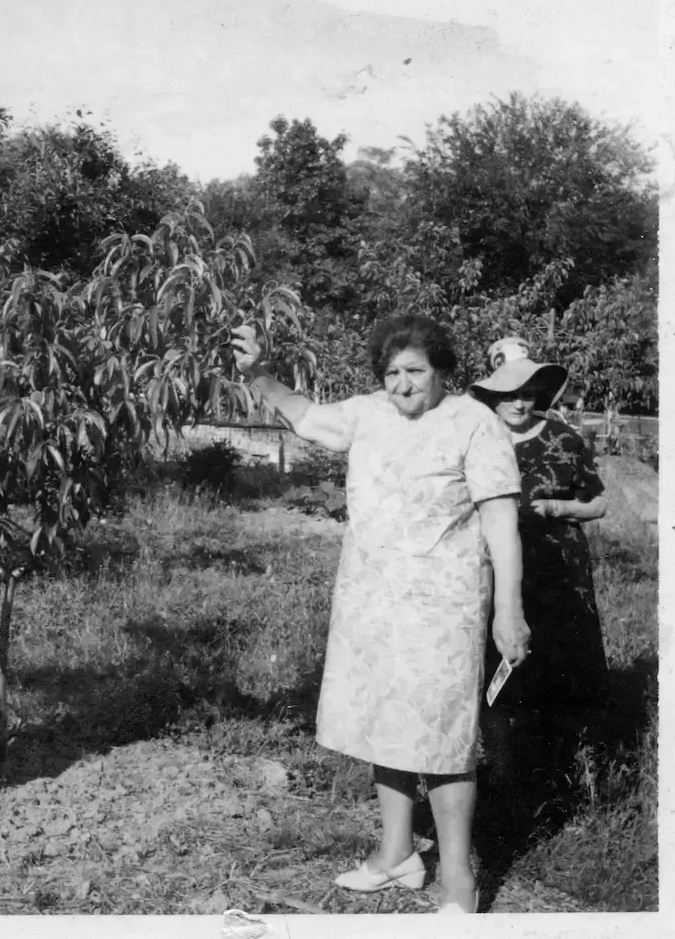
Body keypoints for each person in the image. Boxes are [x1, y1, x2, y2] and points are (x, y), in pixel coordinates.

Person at [232, 314, 530, 915]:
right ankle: (396, 855)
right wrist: (258, 373)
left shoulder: (474, 423)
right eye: (392, 372)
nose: (402, 384)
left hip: (443, 609)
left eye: (415, 371)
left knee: (446, 741)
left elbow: (501, 522)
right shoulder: (368, 413)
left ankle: (458, 888)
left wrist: (510, 609)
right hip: (371, 600)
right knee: (383, 721)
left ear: (442, 370)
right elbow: (309, 415)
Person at [468, 338, 610, 767]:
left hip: (555, 564)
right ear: (493, 396)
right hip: (492, 561)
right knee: (496, 656)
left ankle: (564, 758)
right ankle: (500, 760)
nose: (518, 403)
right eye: (508, 394)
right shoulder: (475, 437)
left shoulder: (564, 439)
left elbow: (598, 502)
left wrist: (556, 507)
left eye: (527, 393)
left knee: (557, 654)